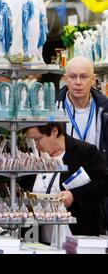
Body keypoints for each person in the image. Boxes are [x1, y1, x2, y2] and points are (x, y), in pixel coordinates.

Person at [19, 123, 108, 240]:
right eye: (32, 141)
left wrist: (73, 195)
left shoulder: (85, 152)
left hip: (79, 237)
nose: (36, 146)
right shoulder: (33, 159)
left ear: (54, 131)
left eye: (38, 139)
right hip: (39, 240)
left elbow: (104, 183)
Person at [57, 56, 108, 230]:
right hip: (63, 189)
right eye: (72, 76)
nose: (78, 82)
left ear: (93, 79)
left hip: (98, 188)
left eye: (84, 76)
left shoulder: (105, 111)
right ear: (65, 79)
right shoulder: (54, 109)